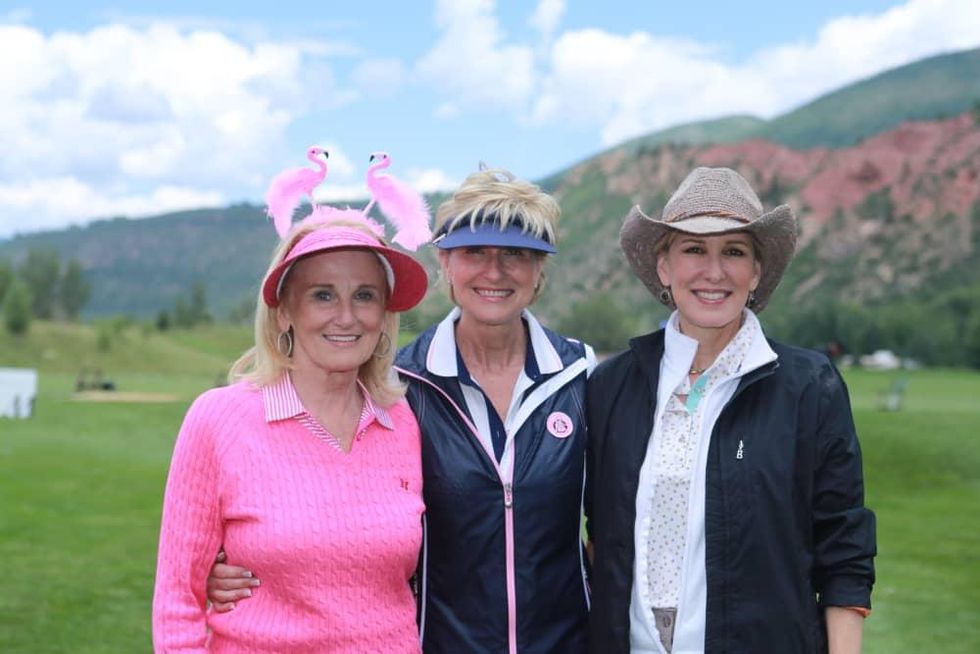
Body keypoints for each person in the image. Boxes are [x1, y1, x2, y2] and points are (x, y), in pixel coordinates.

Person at [208, 168, 596, 653]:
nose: (494, 271)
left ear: (540, 269)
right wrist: (235, 562)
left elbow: (614, 524)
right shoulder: (397, 385)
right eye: (475, 251)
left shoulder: (583, 373)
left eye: (516, 253)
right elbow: (328, 508)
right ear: (445, 262)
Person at [585, 167, 876, 654]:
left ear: (756, 272)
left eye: (734, 252)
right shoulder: (612, 385)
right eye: (694, 249)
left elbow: (844, 548)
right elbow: (600, 537)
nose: (714, 272)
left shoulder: (808, 385)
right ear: (664, 266)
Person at [152, 216, 430, 653]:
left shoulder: (403, 422)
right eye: (323, 295)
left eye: (365, 296)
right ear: (284, 312)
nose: (346, 316)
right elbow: (177, 600)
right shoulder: (219, 418)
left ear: (384, 313)